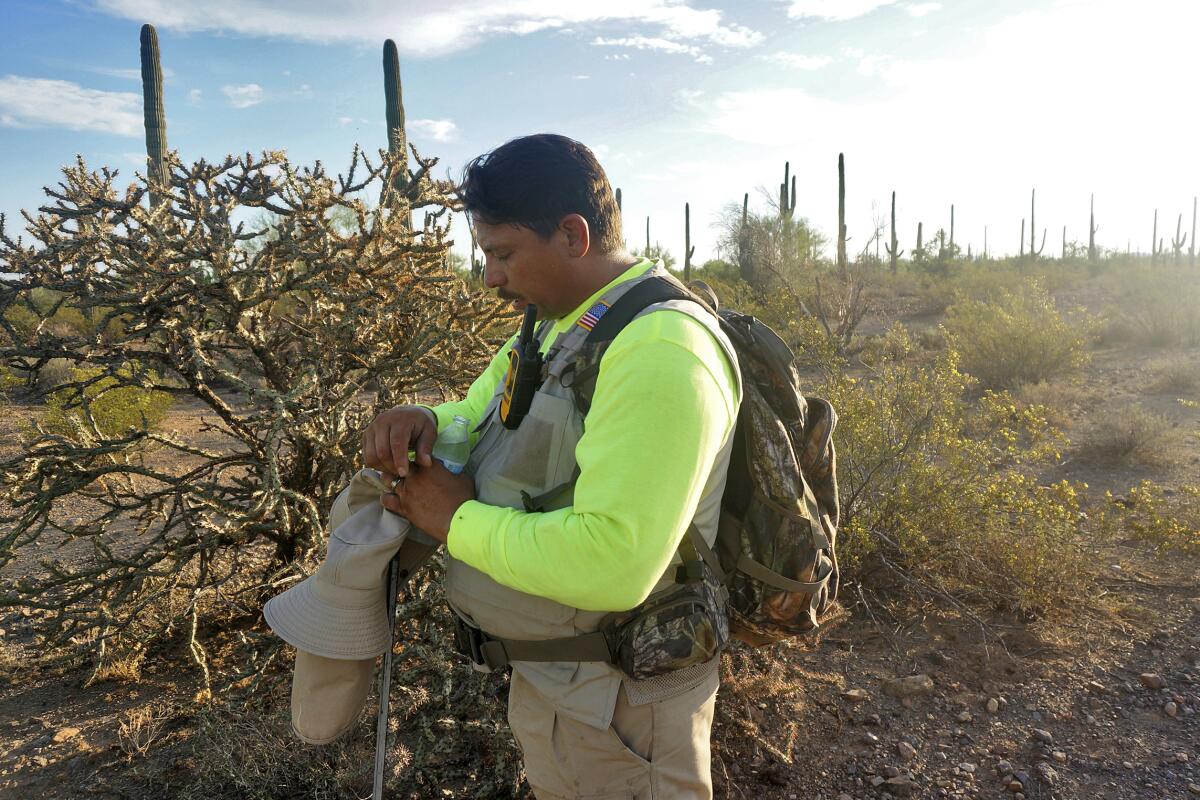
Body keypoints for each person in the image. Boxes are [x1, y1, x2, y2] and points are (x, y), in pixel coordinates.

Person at [362, 133, 742, 800]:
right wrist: (426, 419)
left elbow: (615, 563)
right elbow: (482, 414)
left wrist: (452, 519)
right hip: (564, 685)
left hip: (625, 708)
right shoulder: (554, 325)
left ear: (572, 235)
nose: (491, 278)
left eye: (502, 254)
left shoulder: (661, 350)